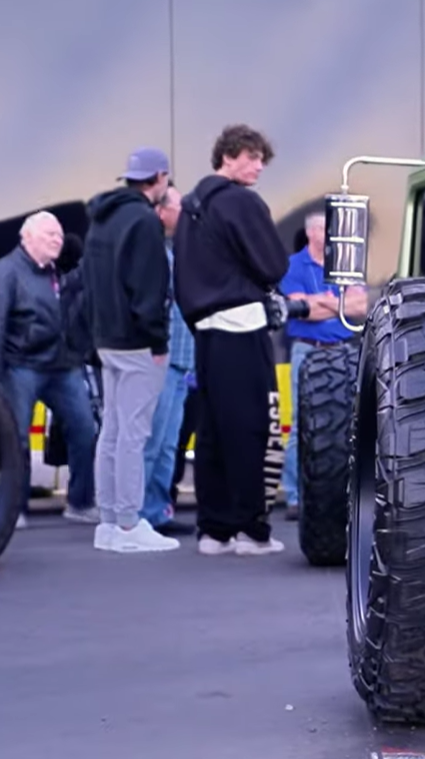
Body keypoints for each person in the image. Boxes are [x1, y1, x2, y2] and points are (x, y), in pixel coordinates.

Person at [173, 124, 295, 556]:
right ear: (227, 156)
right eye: (252, 157)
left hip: (205, 331)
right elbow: (273, 265)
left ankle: (213, 531)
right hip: (242, 326)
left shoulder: (190, 207)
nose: (259, 166)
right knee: (251, 428)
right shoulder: (242, 202)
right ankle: (251, 531)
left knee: (212, 431)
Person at [83, 146, 178, 552]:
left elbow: (88, 283)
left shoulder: (101, 219)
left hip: (107, 340)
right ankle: (128, 525)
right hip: (138, 344)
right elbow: (149, 288)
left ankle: (108, 523)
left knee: (112, 432)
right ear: (158, 178)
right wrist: (158, 341)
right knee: (133, 435)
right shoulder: (144, 221)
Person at [0, 210, 98, 526]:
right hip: (21, 367)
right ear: (27, 237)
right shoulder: (5, 273)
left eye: (59, 234)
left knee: (84, 429)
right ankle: (13, 510)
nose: (58, 239)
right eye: (50, 234)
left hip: (62, 365)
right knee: (15, 438)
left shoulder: (56, 272)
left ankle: (80, 502)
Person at [277, 211, 369, 520]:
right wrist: (338, 303)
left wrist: (321, 301)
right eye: (324, 228)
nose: (330, 234)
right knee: (300, 423)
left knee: (346, 422)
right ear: (311, 232)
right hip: (307, 350)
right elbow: (301, 310)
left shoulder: (345, 265)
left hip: (343, 351)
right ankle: (294, 496)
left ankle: (340, 496)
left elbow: (360, 307)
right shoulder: (292, 265)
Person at [140, 184, 198, 536]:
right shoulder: (155, 255)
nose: (185, 213)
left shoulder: (175, 253)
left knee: (167, 445)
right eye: (179, 206)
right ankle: (137, 515)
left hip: (182, 362)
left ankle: (157, 511)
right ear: (161, 211)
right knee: (152, 442)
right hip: (162, 360)